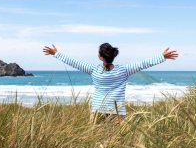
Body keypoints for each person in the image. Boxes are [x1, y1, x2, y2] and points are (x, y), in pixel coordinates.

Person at [43, 43, 178, 123]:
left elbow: (73, 62)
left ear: (101, 57)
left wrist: (56, 53)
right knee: (116, 142)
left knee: (95, 140)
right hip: (117, 111)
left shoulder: (94, 70)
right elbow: (143, 64)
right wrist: (162, 57)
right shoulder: (124, 70)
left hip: (97, 111)